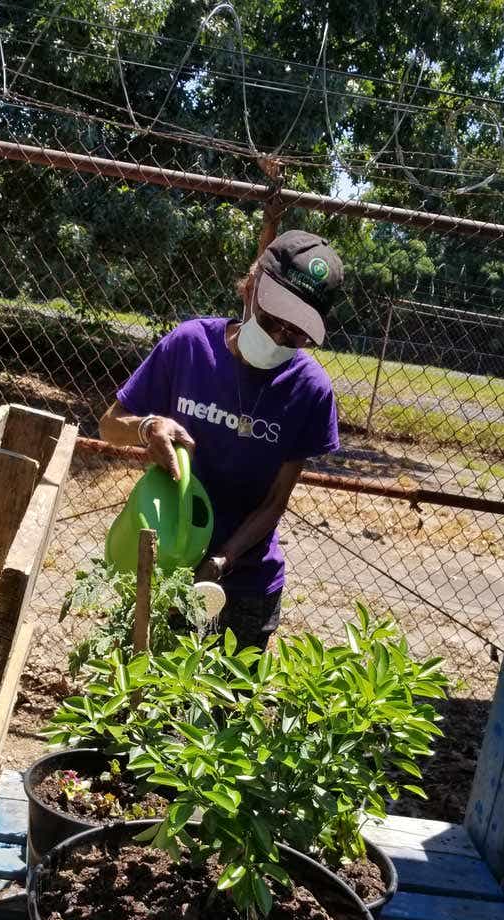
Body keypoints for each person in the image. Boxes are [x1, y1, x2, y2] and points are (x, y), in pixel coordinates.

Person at [99, 229, 344, 650]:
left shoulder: (310, 389)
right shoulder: (190, 346)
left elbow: (274, 502)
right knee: (140, 698)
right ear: (251, 287)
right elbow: (109, 424)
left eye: (296, 333)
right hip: (163, 563)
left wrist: (222, 560)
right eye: (272, 319)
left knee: (226, 710)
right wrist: (146, 427)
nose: (279, 337)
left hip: (245, 583)